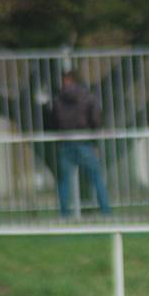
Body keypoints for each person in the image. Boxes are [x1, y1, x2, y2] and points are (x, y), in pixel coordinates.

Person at [52, 70, 110, 216]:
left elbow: (53, 120)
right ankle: (105, 211)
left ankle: (64, 214)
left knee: (64, 181)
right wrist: (95, 137)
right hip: (84, 140)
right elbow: (96, 119)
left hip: (65, 141)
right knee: (96, 177)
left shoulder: (58, 98)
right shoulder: (87, 96)